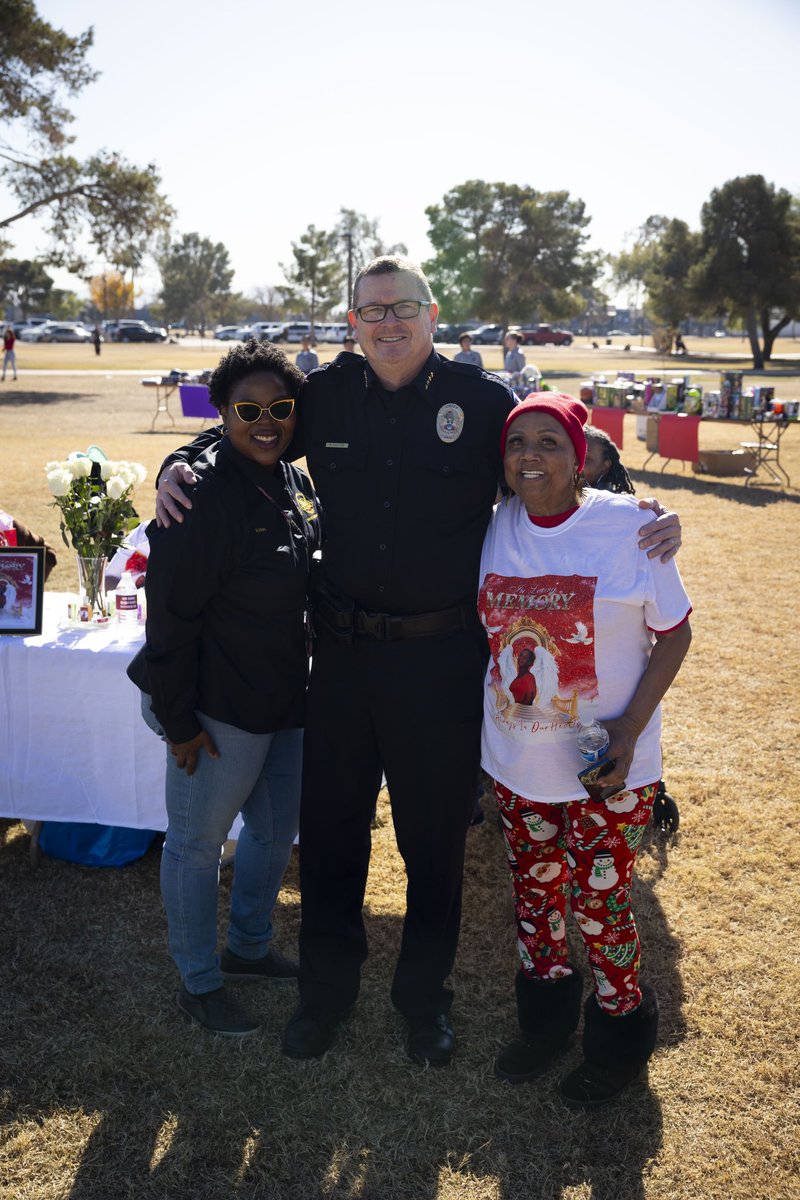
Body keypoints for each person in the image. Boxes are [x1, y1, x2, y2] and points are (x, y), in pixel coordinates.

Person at [155, 256, 683, 1068]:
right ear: (353, 323)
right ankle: (325, 997)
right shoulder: (325, 395)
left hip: (440, 664)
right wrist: (180, 460)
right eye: (372, 311)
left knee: (433, 844)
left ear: (433, 315)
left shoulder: (483, 401)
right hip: (340, 660)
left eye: (403, 307)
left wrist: (642, 510)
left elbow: (559, 460)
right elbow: (251, 426)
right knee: (332, 838)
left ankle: (423, 1002)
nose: (389, 322)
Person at [479, 393, 692, 1106]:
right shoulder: (492, 525)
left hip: (610, 769)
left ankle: (619, 1040)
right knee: (535, 900)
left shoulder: (630, 527)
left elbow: (676, 633)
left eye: (550, 443)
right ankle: (544, 1025)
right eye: (518, 443)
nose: (530, 456)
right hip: (517, 765)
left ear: (581, 460)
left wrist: (629, 729)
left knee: (601, 907)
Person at [127, 340, 321, 1037]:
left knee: (274, 831)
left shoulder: (291, 479)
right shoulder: (201, 495)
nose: (265, 423)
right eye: (247, 410)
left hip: (285, 697)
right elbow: (169, 616)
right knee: (196, 845)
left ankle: (248, 948)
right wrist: (179, 721)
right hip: (217, 707)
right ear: (222, 412)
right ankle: (199, 982)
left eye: (280, 408)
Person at [582, 425, 636, 494]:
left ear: (605, 466)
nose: (574, 464)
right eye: (572, 455)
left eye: (585, 458)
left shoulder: (604, 499)